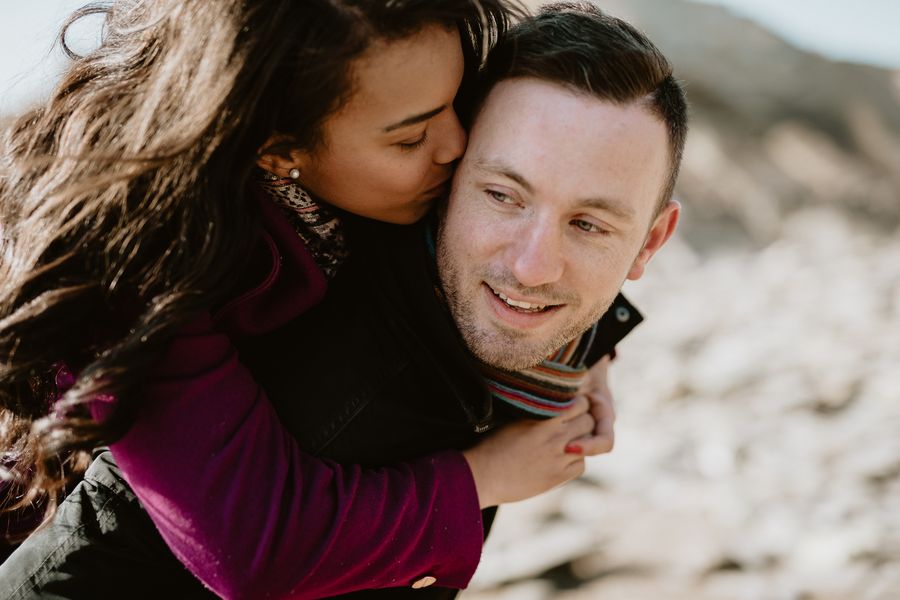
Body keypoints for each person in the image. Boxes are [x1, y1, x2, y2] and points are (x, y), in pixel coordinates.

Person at [2, 2, 687, 599]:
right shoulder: (141, 265)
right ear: (277, 149)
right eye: (413, 136)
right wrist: (481, 479)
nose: (455, 148)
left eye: (593, 225)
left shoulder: (385, 185)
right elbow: (251, 544)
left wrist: (584, 345)